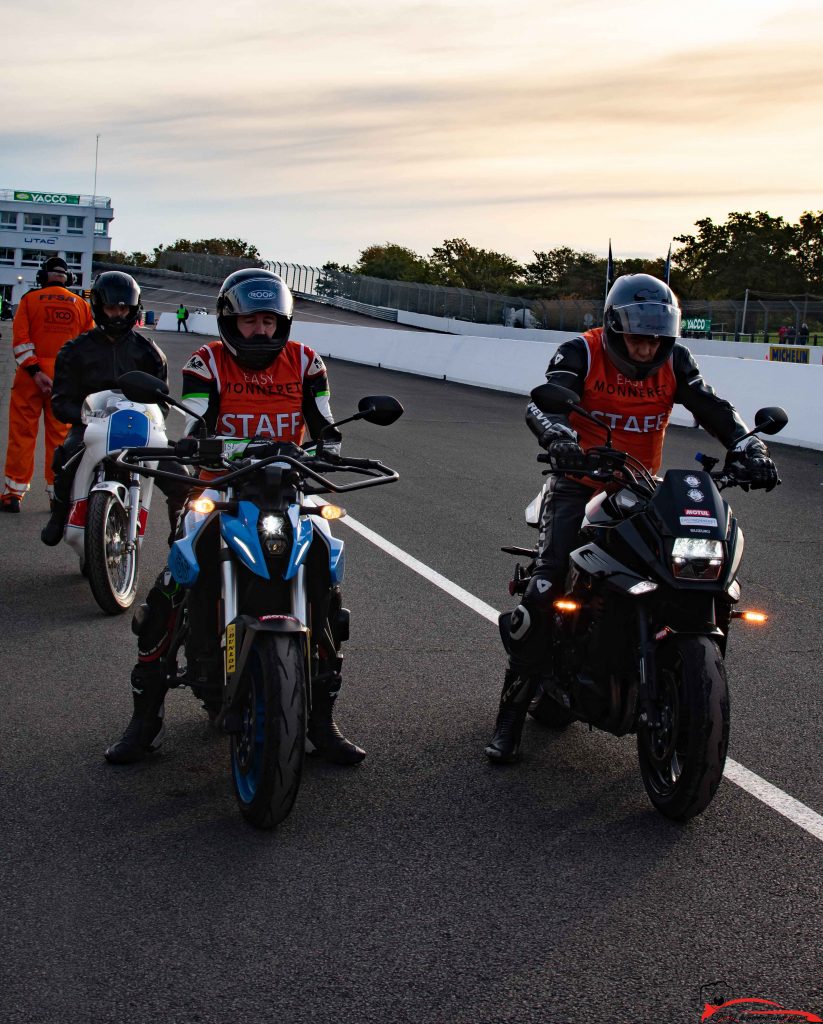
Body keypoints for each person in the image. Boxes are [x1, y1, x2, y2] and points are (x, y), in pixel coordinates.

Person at [485, 273, 780, 763]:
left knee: (681, 565)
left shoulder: (677, 362)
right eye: (638, 337)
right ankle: (510, 717)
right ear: (615, 328)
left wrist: (749, 444)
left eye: (656, 338)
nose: (646, 348)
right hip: (576, 479)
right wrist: (559, 439)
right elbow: (542, 403)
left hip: (640, 483)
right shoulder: (580, 351)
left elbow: (712, 407)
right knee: (546, 586)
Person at [105, 268, 365, 767]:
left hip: (289, 488)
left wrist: (331, 447)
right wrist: (209, 445)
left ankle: (322, 720)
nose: (261, 330)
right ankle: (145, 718)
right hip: (219, 487)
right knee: (170, 589)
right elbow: (196, 423)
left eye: (270, 320)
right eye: (250, 321)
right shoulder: (206, 362)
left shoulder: (307, 361)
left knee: (327, 587)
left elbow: (326, 426)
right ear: (229, 319)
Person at [40, 271, 189, 546]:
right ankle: (59, 516)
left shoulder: (150, 353)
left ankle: (180, 536)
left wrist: (149, 418)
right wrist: (86, 417)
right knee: (65, 458)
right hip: (91, 429)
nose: (118, 314)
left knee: (181, 477)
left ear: (134, 309)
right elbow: (60, 402)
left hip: (139, 431)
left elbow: (161, 404)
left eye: (124, 308)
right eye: (111, 307)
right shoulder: (74, 351)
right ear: (98, 306)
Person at [1, 257, 94, 513]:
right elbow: (87, 346)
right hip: (63, 381)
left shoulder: (29, 300)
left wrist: (35, 371)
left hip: (30, 378)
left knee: (21, 434)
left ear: (43, 277)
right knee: (60, 439)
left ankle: (12, 493)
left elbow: (20, 340)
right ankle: (57, 495)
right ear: (69, 280)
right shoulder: (82, 305)